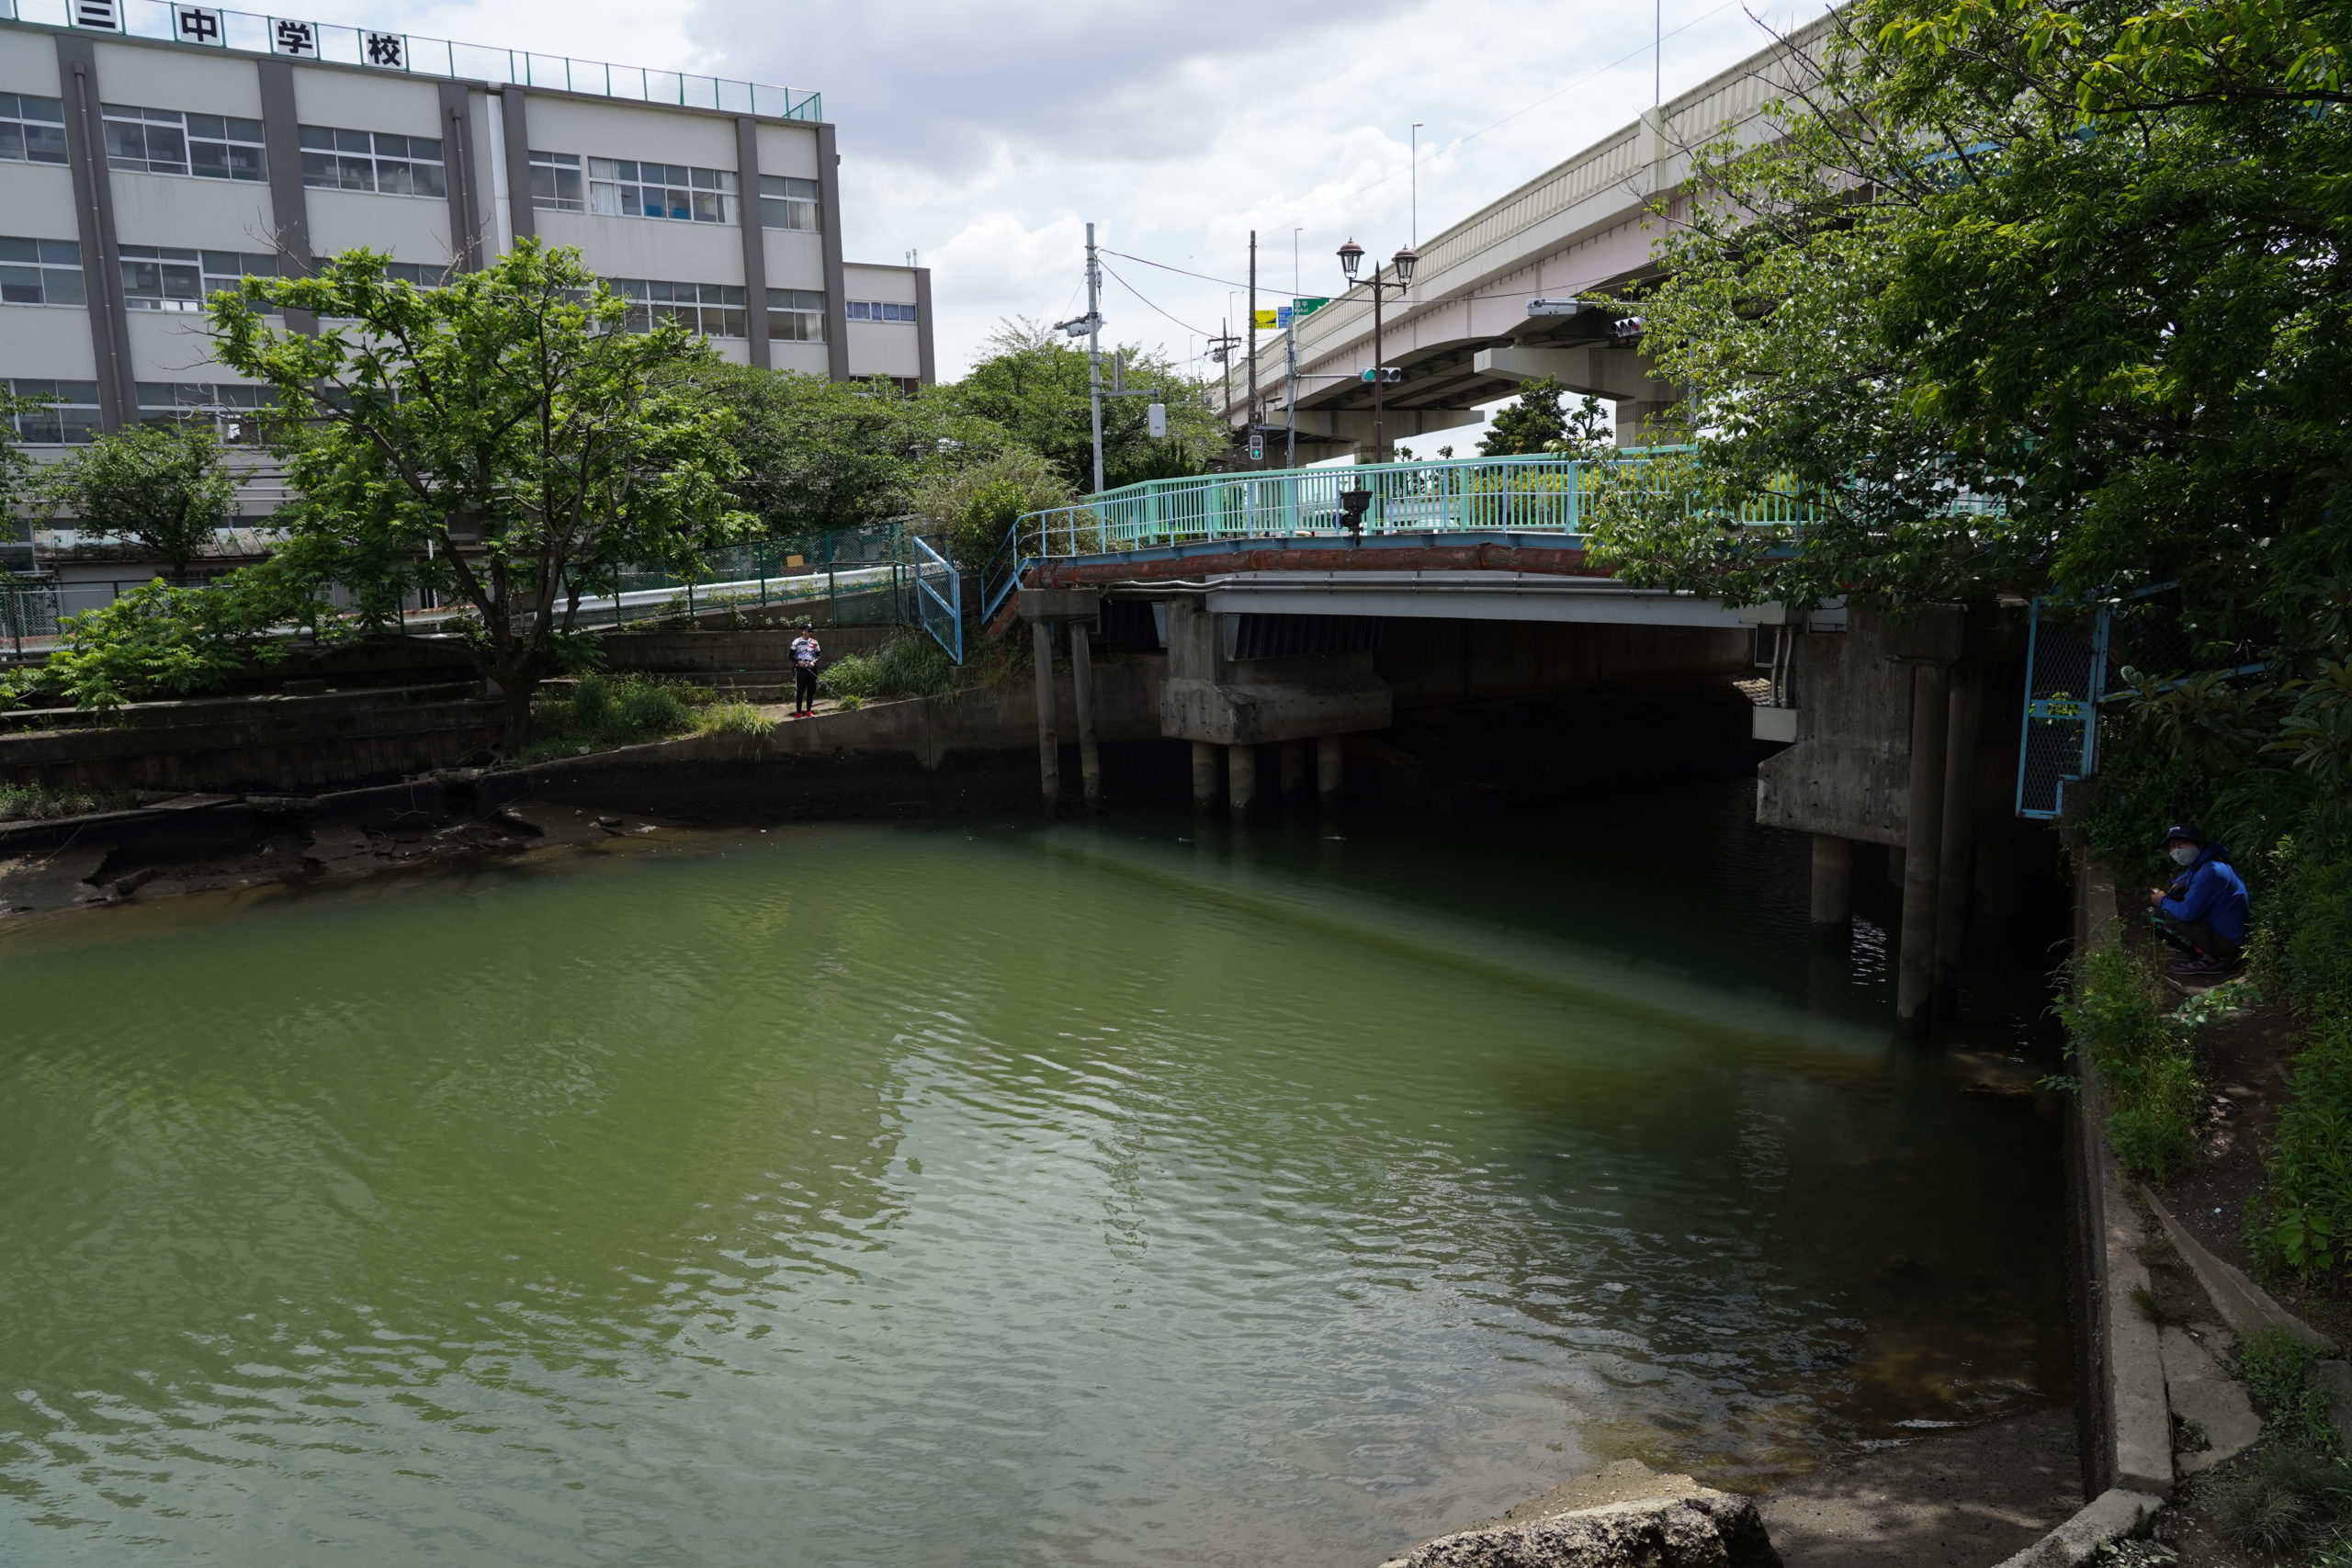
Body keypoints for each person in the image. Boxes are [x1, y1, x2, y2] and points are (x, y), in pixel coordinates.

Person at [2147, 822, 2250, 976]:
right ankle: (2199, 949)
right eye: (2172, 846)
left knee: (2159, 918)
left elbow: (2188, 914)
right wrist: (2176, 886)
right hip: (2228, 932)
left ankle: (2209, 959)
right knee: (2170, 908)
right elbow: (2186, 878)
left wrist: (2161, 900)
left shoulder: (2210, 872)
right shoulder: (2210, 862)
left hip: (2227, 942)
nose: (2176, 850)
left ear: (2199, 843)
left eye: (2182, 843)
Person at [790, 628, 822, 716]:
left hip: (812, 669)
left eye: (811, 631)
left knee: (811, 691)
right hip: (801, 670)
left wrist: (814, 662)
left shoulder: (815, 642)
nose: (810, 632)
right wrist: (798, 662)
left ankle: (809, 711)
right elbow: (790, 656)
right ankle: (798, 712)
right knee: (800, 691)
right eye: (808, 630)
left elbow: (819, 656)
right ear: (803, 631)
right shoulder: (796, 641)